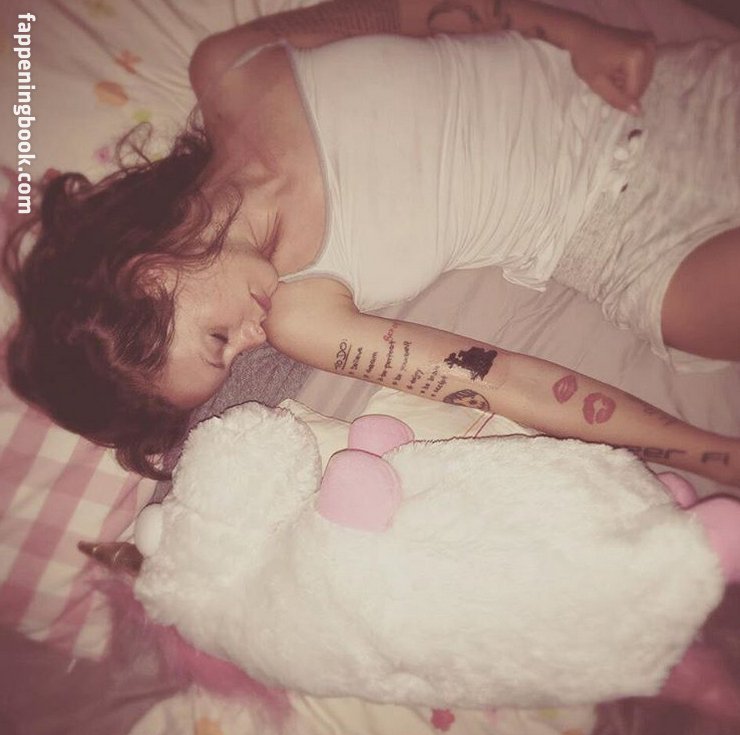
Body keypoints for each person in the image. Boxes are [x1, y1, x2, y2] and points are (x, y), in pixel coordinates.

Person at [4, 0, 740, 485]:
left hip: (651, 100)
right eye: (233, 358)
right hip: (627, 250)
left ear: (148, 274)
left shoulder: (231, 69)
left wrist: (573, 31)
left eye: (218, 340)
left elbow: (412, 11)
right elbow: (502, 381)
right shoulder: (304, 316)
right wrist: (713, 456)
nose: (252, 342)